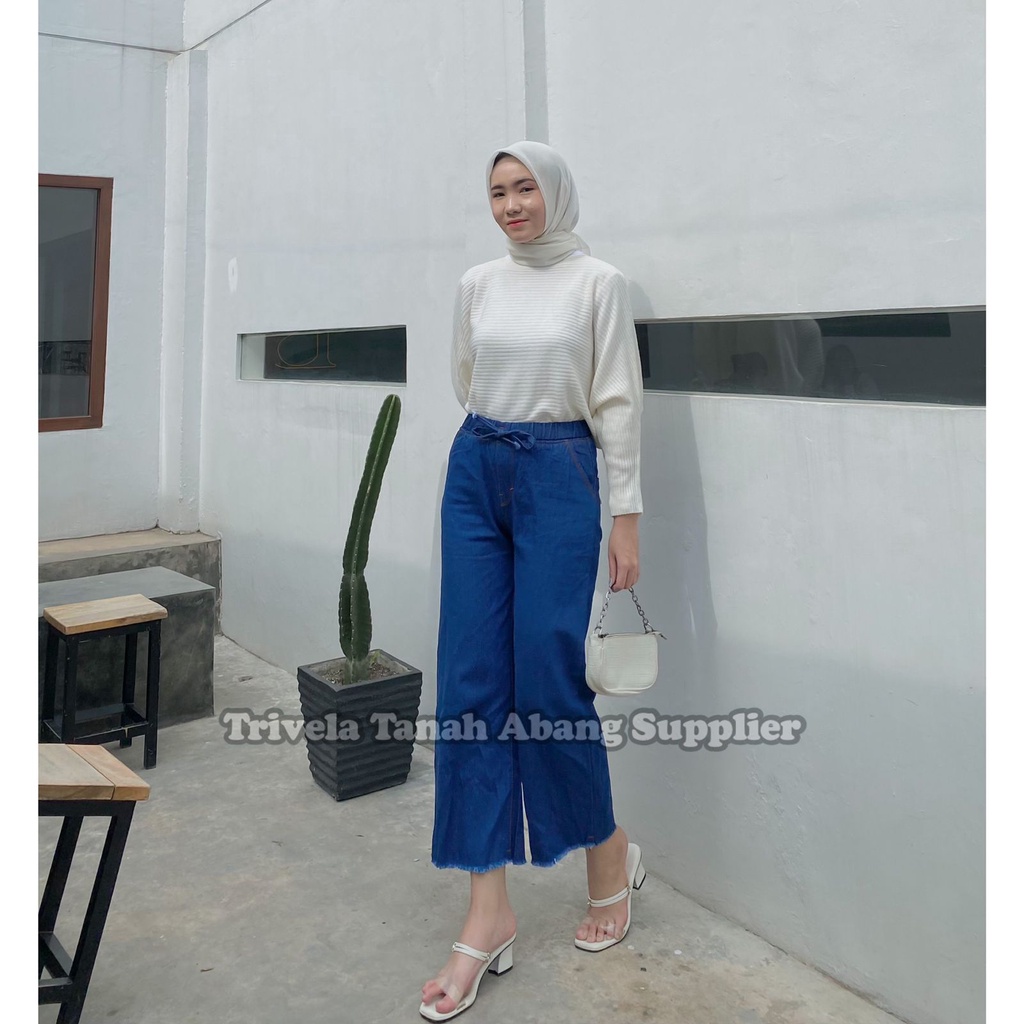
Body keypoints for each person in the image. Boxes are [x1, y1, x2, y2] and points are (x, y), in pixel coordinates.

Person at [419, 140, 647, 1021]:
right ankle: (489, 911)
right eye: (497, 192)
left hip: (560, 471)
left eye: (525, 189)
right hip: (477, 465)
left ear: (555, 192)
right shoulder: (478, 283)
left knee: (550, 680)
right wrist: (496, 445)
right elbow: (465, 377)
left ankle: (606, 850)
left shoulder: (598, 283)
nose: (511, 205)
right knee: (470, 681)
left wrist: (624, 514)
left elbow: (616, 399)